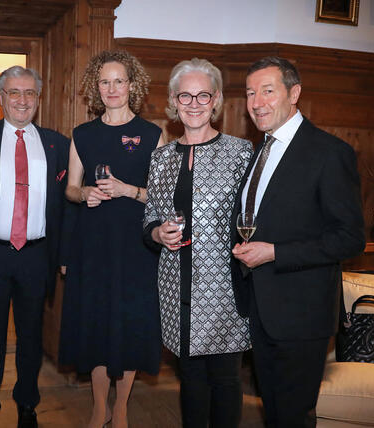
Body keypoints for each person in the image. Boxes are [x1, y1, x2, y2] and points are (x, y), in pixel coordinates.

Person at [232, 56, 365, 427]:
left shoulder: (328, 153)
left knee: (292, 416)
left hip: (303, 314)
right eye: (250, 93)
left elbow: (350, 238)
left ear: (295, 94)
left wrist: (275, 252)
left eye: (268, 91)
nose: (257, 101)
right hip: (262, 307)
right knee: (274, 411)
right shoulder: (258, 151)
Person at [143, 58, 253, 428]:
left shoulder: (240, 154)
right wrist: (157, 232)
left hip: (224, 290)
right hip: (177, 288)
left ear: (216, 99)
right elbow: (150, 217)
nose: (193, 103)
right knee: (189, 380)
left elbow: (255, 218)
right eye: (184, 96)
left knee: (225, 380)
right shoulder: (160, 158)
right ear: (173, 101)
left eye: (202, 95)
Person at [59, 50, 165, 428]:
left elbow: (164, 196)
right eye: (105, 81)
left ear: (132, 85)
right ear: (95, 88)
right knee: (97, 324)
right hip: (93, 246)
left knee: (131, 324)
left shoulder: (154, 133)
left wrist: (127, 190)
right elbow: (70, 189)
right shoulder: (82, 134)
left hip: (137, 246)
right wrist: (84, 193)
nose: (112, 88)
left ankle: (121, 410)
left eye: (119, 80)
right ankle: (98, 407)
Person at [0, 66, 70, 428]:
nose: (22, 100)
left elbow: (68, 203)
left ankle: (27, 405)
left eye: (30, 93)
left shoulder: (57, 143)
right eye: (14, 93)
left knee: (30, 338)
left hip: (37, 255)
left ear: (38, 98)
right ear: (2, 97)